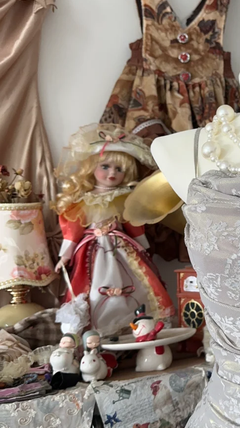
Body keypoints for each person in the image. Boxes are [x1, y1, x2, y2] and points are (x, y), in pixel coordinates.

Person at [53, 124, 175, 338]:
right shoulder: (83, 200)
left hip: (122, 248)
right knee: (92, 289)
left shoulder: (124, 198)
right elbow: (73, 229)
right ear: (91, 167)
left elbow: (133, 223)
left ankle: (137, 326)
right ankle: (94, 332)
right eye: (105, 166)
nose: (112, 173)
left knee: (137, 281)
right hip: (92, 250)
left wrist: (143, 246)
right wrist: (65, 255)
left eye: (119, 169)